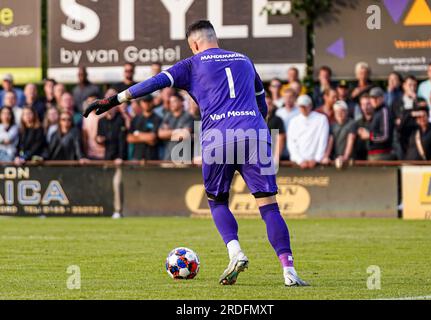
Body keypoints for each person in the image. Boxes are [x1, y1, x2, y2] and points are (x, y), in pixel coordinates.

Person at [84, 20, 309, 287]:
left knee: (217, 202)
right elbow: (262, 103)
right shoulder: (245, 60)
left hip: (218, 137)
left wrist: (114, 100)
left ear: (193, 44)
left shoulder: (191, 64)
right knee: (269, 207)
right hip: (255, 134)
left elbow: (155, 83)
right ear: (215, 38)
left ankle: (235, 252)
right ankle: (288, 270)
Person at [287, 95, 329, 169]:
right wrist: (300, 160)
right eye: (301, 106)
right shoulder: (293, 121)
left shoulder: (321, 119)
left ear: (310, 106)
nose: (303, 109)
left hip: (317, 164)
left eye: (305, 106)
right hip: (298, 163)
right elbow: (291, 143)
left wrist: (316, 159)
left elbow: (323, 140)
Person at [357, 87, 395, 161]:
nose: (374, 100)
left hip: (382, 155)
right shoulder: (376, 112)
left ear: (382, 98)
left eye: (376, 98)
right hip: (373, 155)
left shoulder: (384, 111)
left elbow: (385, 136)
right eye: (372, 98)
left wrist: (369, 136)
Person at [158, 92, 194, 161]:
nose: (171, 104)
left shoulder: (187, 116)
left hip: (183, 159)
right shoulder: (167, 116)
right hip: (168, 157)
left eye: (174, 101)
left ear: (181, 102)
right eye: (170, 102)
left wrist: (168, 133)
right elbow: (160, 134)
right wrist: (179, 131)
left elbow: (185, 135)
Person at [127, 94, 162, 161]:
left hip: (152, 158)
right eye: (144, 101)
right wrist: (147, 138)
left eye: (149, 101)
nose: (146, 104)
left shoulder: (157, 119)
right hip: (137, 156)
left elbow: (152, 138)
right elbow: (129, 138)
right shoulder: (136, 119)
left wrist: (137, 134)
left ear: (152, 102)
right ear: (140, 103)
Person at [275, 88, 300, 160]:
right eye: (285, 97)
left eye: (290, 97)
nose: (288, 99)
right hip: (282, 144)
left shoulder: (299, 112)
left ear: (295, 98)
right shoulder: (279, 112)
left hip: (295, 143)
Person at [266, 95, 285, 164]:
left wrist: (276, 158)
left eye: (269, 103)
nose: (267, 106)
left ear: (273, 106)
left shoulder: (276, 120)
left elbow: (280, 139)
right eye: (265, 103)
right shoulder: (255, 119)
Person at [354, 94, 374, 160]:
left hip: (375, 157)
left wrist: (369, 135)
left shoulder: (378, 120)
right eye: (363, 104)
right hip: (360, 159)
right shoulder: (357, 123)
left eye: (368, 104)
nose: (365, 107)